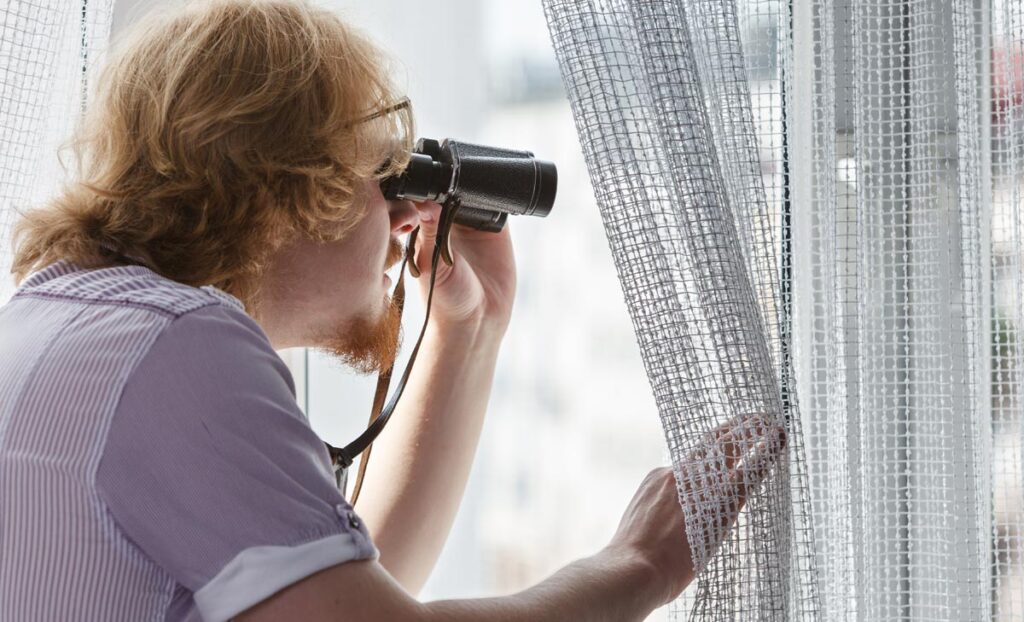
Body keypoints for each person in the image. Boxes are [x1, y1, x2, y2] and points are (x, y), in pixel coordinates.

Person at [0, 1, 785, 620]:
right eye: (382, 174)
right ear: (288, 189)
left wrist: (469, 329)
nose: (407, 216)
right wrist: (638, 566)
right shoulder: (183, 348)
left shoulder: (62, 324)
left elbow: (339, 597)